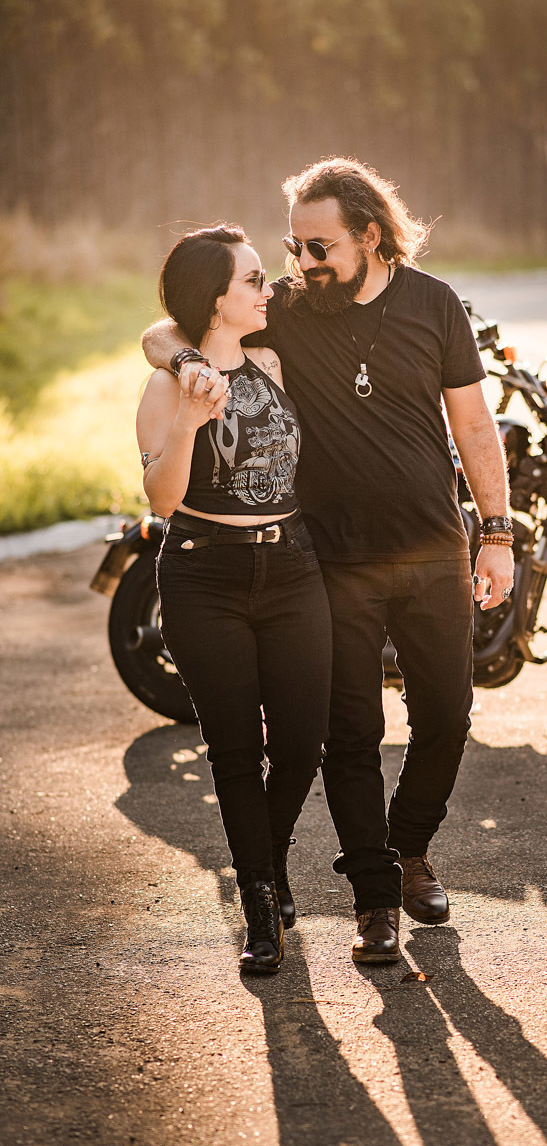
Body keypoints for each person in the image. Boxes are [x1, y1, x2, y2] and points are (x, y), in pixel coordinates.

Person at [142, 159, 514, 965]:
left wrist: (497, 532)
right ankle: (375, 897)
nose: (301, 264)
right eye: (292, 246)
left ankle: (408, 846)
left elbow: (475, 426)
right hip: (332, 562)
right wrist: (181, 365)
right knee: (350, 736)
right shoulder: (290, 310)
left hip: (431, 548)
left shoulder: (433, 304)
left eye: (318, 247)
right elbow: (174, 325)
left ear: (369, 235)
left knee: (447, 717)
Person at [136, 224, 332, 975]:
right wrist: (188, 415)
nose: (268, 288)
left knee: (302, 740)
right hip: (202, 576)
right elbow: (161, 497)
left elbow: (162, 330)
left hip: (291, 569)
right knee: (234, 751)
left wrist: (188, 350)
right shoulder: (164, 387)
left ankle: (265, 864)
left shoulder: (273, 359)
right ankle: (260, 903)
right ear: (215, 300)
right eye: (252, 279)